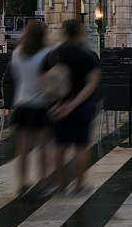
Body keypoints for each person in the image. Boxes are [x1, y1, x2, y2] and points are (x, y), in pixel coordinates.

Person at [43, 19, 102, 196]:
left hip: (57, 108)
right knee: (80, 147)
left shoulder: (52, 56)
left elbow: (43, 83)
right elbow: (92, 84)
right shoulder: (87, 56)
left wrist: (53, 105)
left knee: (60, 146)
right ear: (79, 34)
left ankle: (60, 185)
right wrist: (73, 105)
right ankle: (79, 184)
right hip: (81, 107)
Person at [10, 20, 52, 199]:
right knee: (43, 147)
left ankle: (22, 184)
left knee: (23, 148)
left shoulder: (17, 53)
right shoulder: (46, 54)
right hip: (41, 104)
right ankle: (44, 183)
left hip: (22, 103)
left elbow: (15, 76)